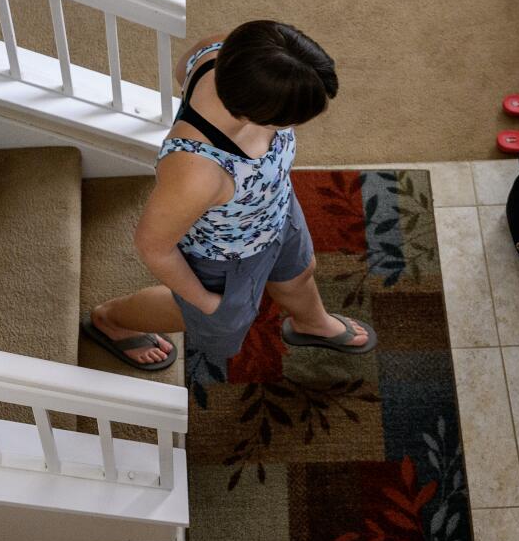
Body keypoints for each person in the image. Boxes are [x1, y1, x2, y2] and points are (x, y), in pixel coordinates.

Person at [81, 21, 374, 377]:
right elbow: (152, 246)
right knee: (202, 316)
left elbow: (182, 69)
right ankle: (112, 319)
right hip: (225, 257)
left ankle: (313, 323)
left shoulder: (225, 51)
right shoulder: (196, 171)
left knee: (299, 270)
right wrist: (205, 302)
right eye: (289, 121)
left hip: (274, 207)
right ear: (254, 113)